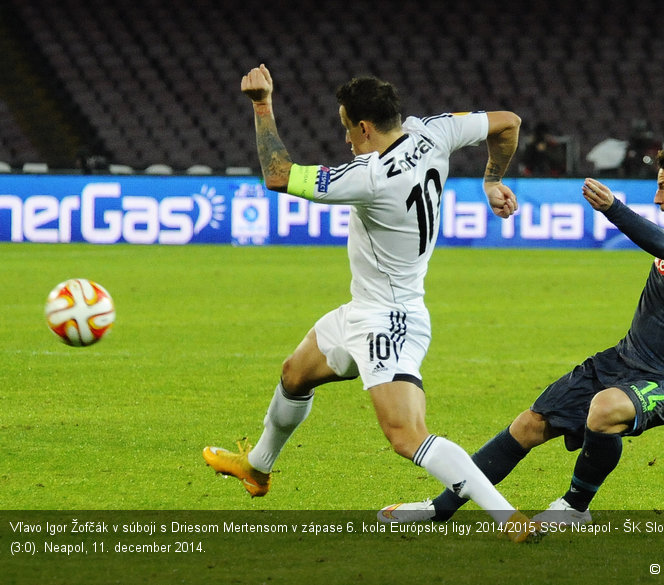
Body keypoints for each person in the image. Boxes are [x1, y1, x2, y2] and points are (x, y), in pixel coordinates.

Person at [378, 145, 664, 526]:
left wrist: (613, 208)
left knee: (604, 410)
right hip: (621, 360)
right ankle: (439, 509)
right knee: (529, 425)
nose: (657, 198)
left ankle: (575, 506)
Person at [203, 64, 542, 542]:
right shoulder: (433, 131)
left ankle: (511, 519)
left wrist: (261, 103)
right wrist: (491, 180)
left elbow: (278, 175)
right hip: (361, 310)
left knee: (406, 436)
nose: (345, 139)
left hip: (391, 320)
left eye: (345, 127)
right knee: (294, 374)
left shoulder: (371, 175)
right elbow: (508, 121)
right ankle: (257, 468)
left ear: (363, 127)